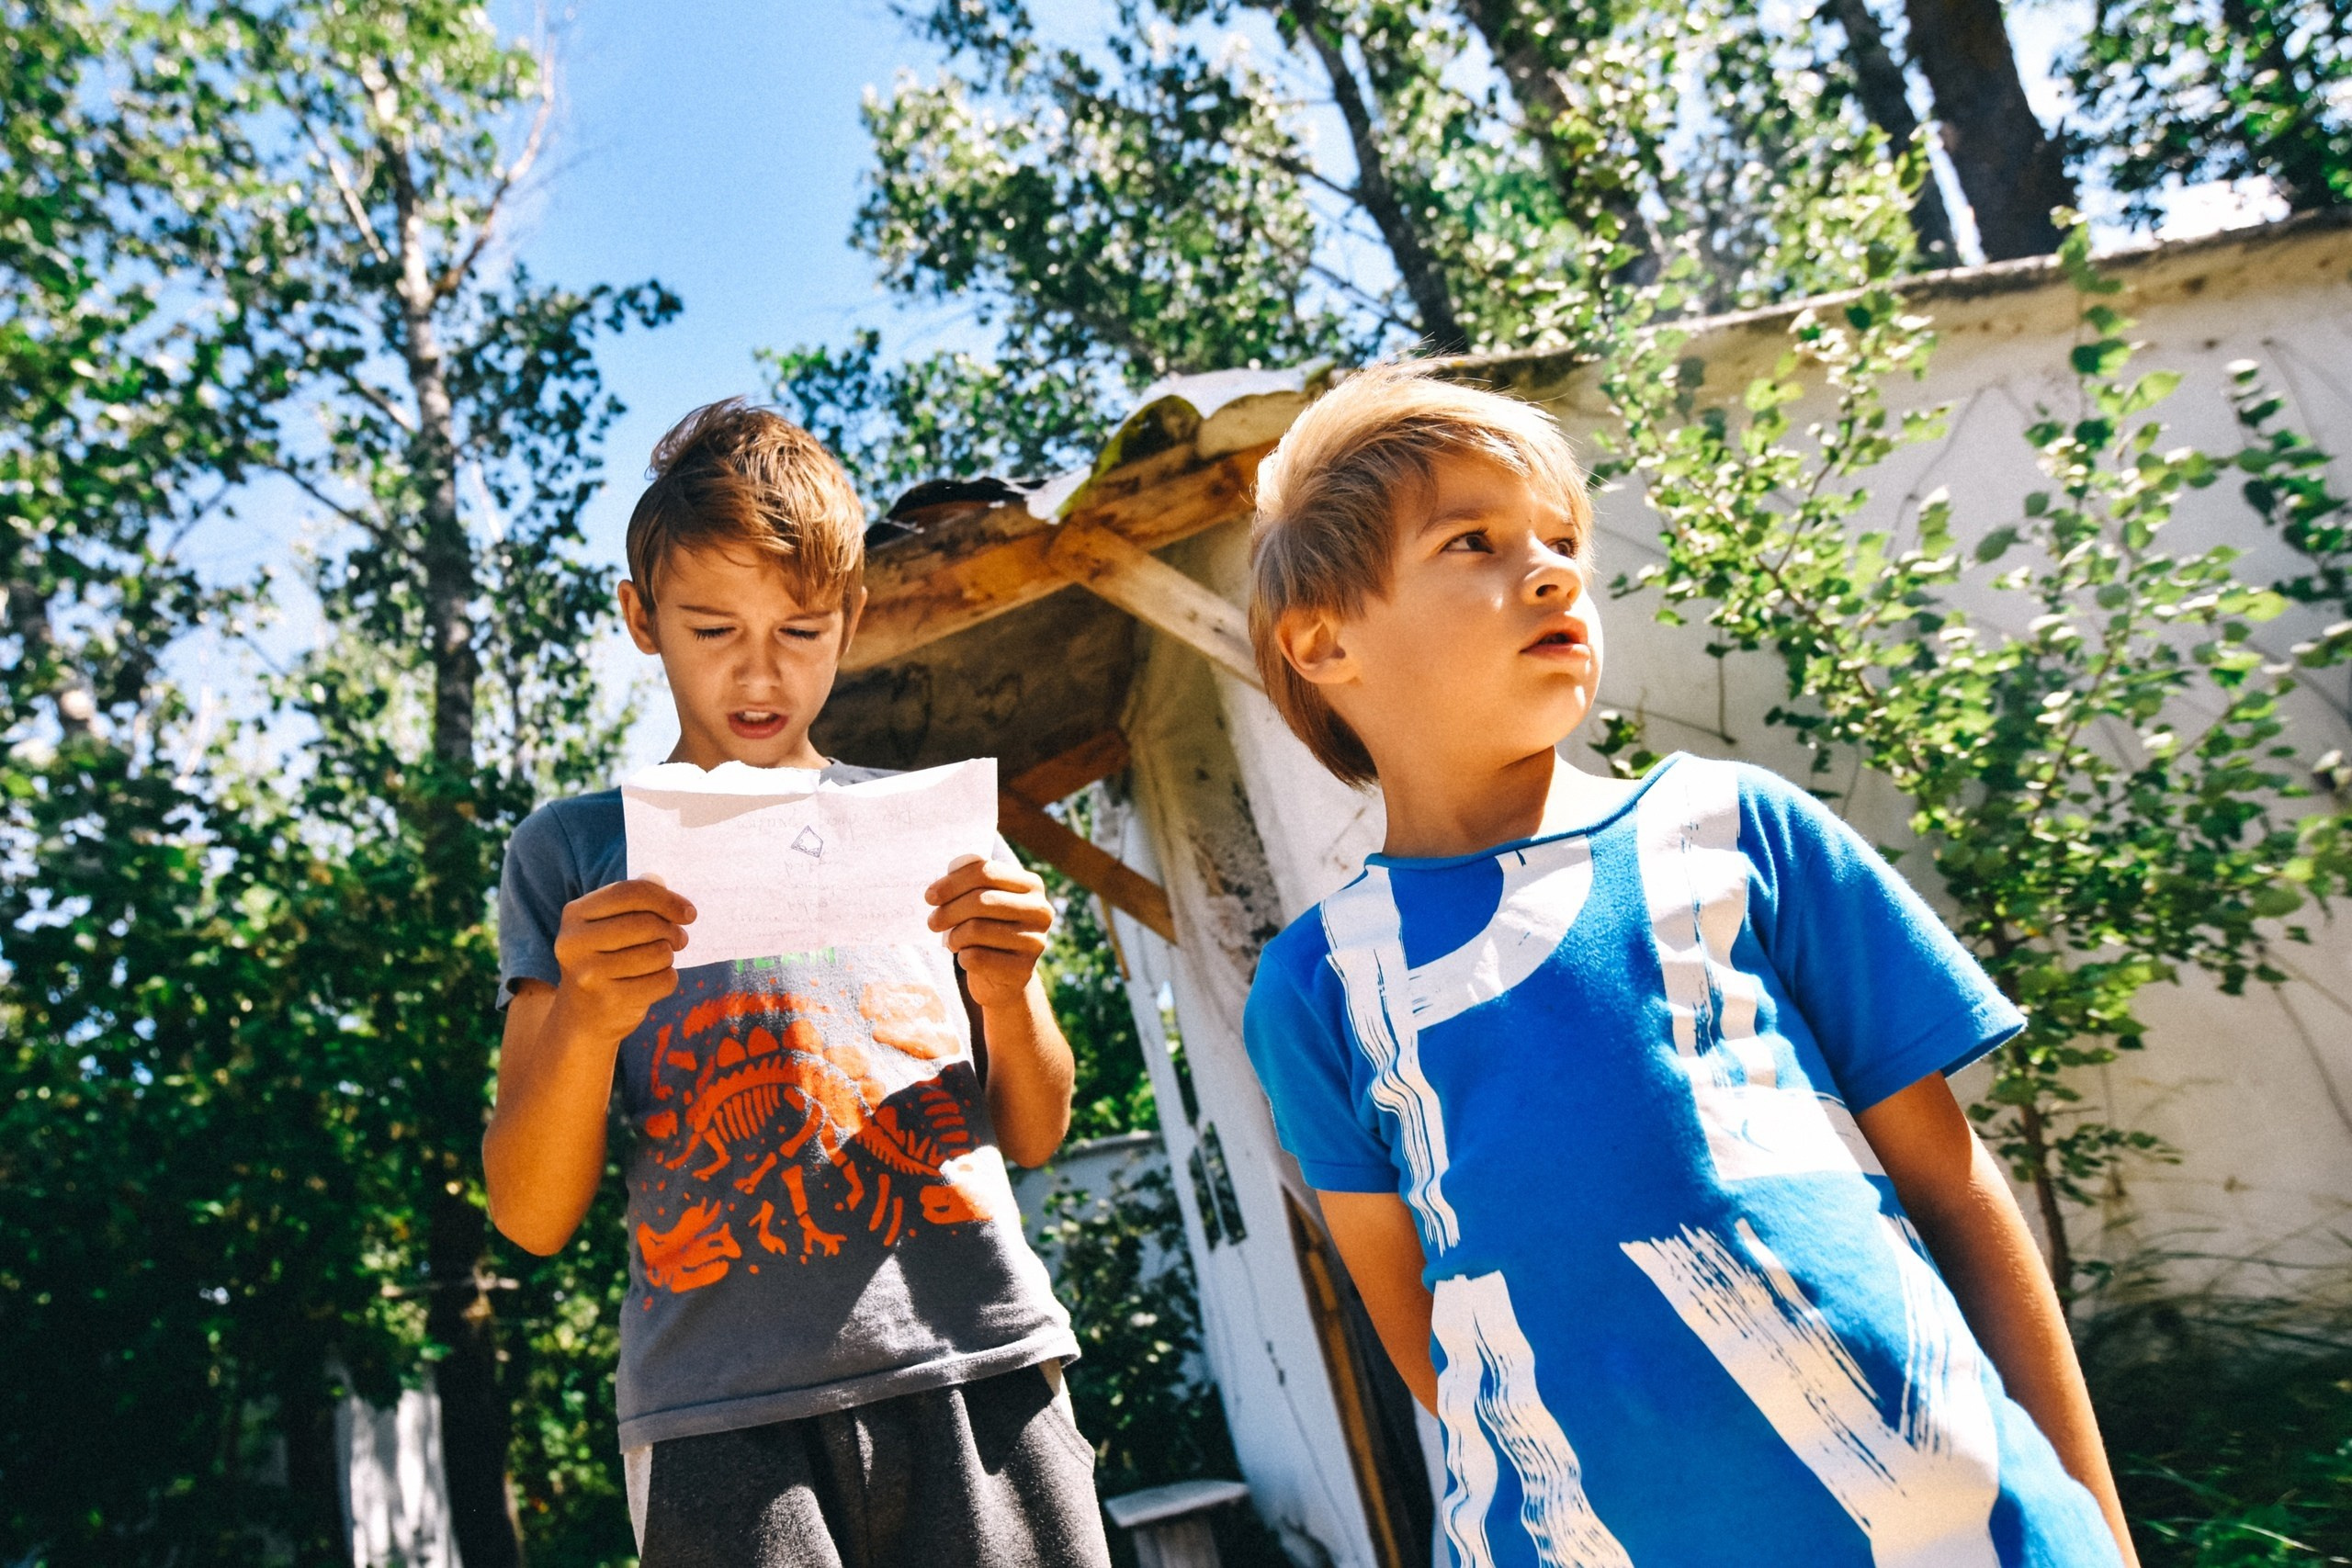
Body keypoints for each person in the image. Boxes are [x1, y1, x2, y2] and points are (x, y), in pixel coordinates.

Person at [1238, 363, 2139, 1568]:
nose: (1552, 569)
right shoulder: (1321, 990)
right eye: (1474, 541)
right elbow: (1435, 1343)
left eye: (1562, 538)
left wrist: (2095, 1519)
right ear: (1325, 639)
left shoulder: (1741, 828)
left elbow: (1959, 1194)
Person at [483, 399, 1110, 1568]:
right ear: (640, 619)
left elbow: (1035, 1129)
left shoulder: (937, 832)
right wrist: (583, 1023)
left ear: (853, 619)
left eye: (802, 630)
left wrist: (1014, 989)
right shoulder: (570, 854)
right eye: (713, 628)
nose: (759, 673)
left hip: (980, 1368)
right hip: (721, 1420)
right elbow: (528, 1212)